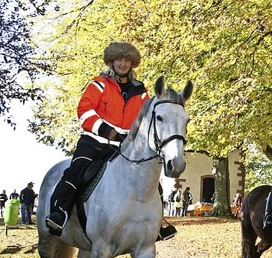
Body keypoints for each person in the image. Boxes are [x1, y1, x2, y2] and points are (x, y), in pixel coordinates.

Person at [45, 41, 176, 241]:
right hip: (94, 141)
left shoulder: (141, 92)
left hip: (124, 147)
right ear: (112, 62)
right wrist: (105, 129)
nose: (122, 64)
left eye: (127, 60)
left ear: (132, 64)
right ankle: (58, 213)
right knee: (76, 171)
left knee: (151, 181)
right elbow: (84, 110)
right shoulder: (98, 84)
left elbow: (147, 119)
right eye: (119, 60)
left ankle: (157, 224)